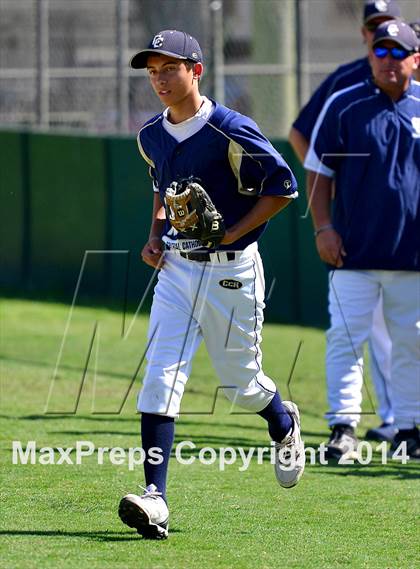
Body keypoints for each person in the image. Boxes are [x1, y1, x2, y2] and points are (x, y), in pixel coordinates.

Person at [118, 29, 304, 539]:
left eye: (169, 68)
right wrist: (155, 235)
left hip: (231, 270)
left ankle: (282, 423)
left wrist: (232, 231)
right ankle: (155, 497)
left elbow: (283, 187)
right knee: (160, 376)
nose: (158, 78)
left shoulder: (229, 128)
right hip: (177, 268)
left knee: (241, 385)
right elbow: (162, 190)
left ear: (195, 70)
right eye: (152, 70)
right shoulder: (151, 134)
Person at [304, 20, 420, 461]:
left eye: (398, 52)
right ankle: (343, 428)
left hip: (411, 255)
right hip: (352, 251)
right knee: (346, 340)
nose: (387, 60)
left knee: (411, 343)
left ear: (415, 59)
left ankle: (409, 428)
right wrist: (323, 227)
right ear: (371, 54)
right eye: (381, 51)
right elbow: (317, 170)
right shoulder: (344, 104)